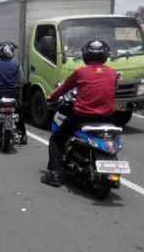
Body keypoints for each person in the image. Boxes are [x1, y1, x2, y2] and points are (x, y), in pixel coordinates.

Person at [42, 39, 117, 187]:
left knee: (56, 139)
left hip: (83, 115)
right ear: (105, 55)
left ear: (85, 55)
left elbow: (63, 88)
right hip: (107, 116)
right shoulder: (112, 72)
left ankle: (54, 174)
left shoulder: (80, 72)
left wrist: (51, 97)